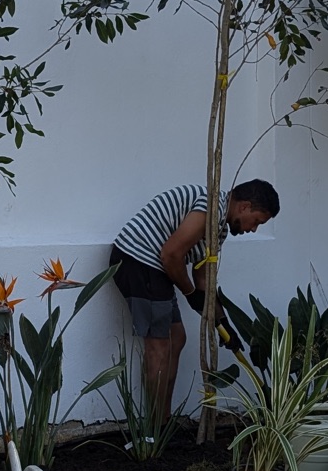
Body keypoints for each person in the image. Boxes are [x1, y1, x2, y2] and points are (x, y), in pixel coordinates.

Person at [109, 179, 281, 419]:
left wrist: (223, 322)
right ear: (244, 206)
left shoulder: (219, 229)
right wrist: (190, 294)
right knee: (159, 346)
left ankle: (163, 421)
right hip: (139, 260)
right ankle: (154, 429)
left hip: (154, 269)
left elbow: (202, 278)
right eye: (257, 221)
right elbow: (170, 255)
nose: (253, 229)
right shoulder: (211, 208)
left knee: (176, 338)